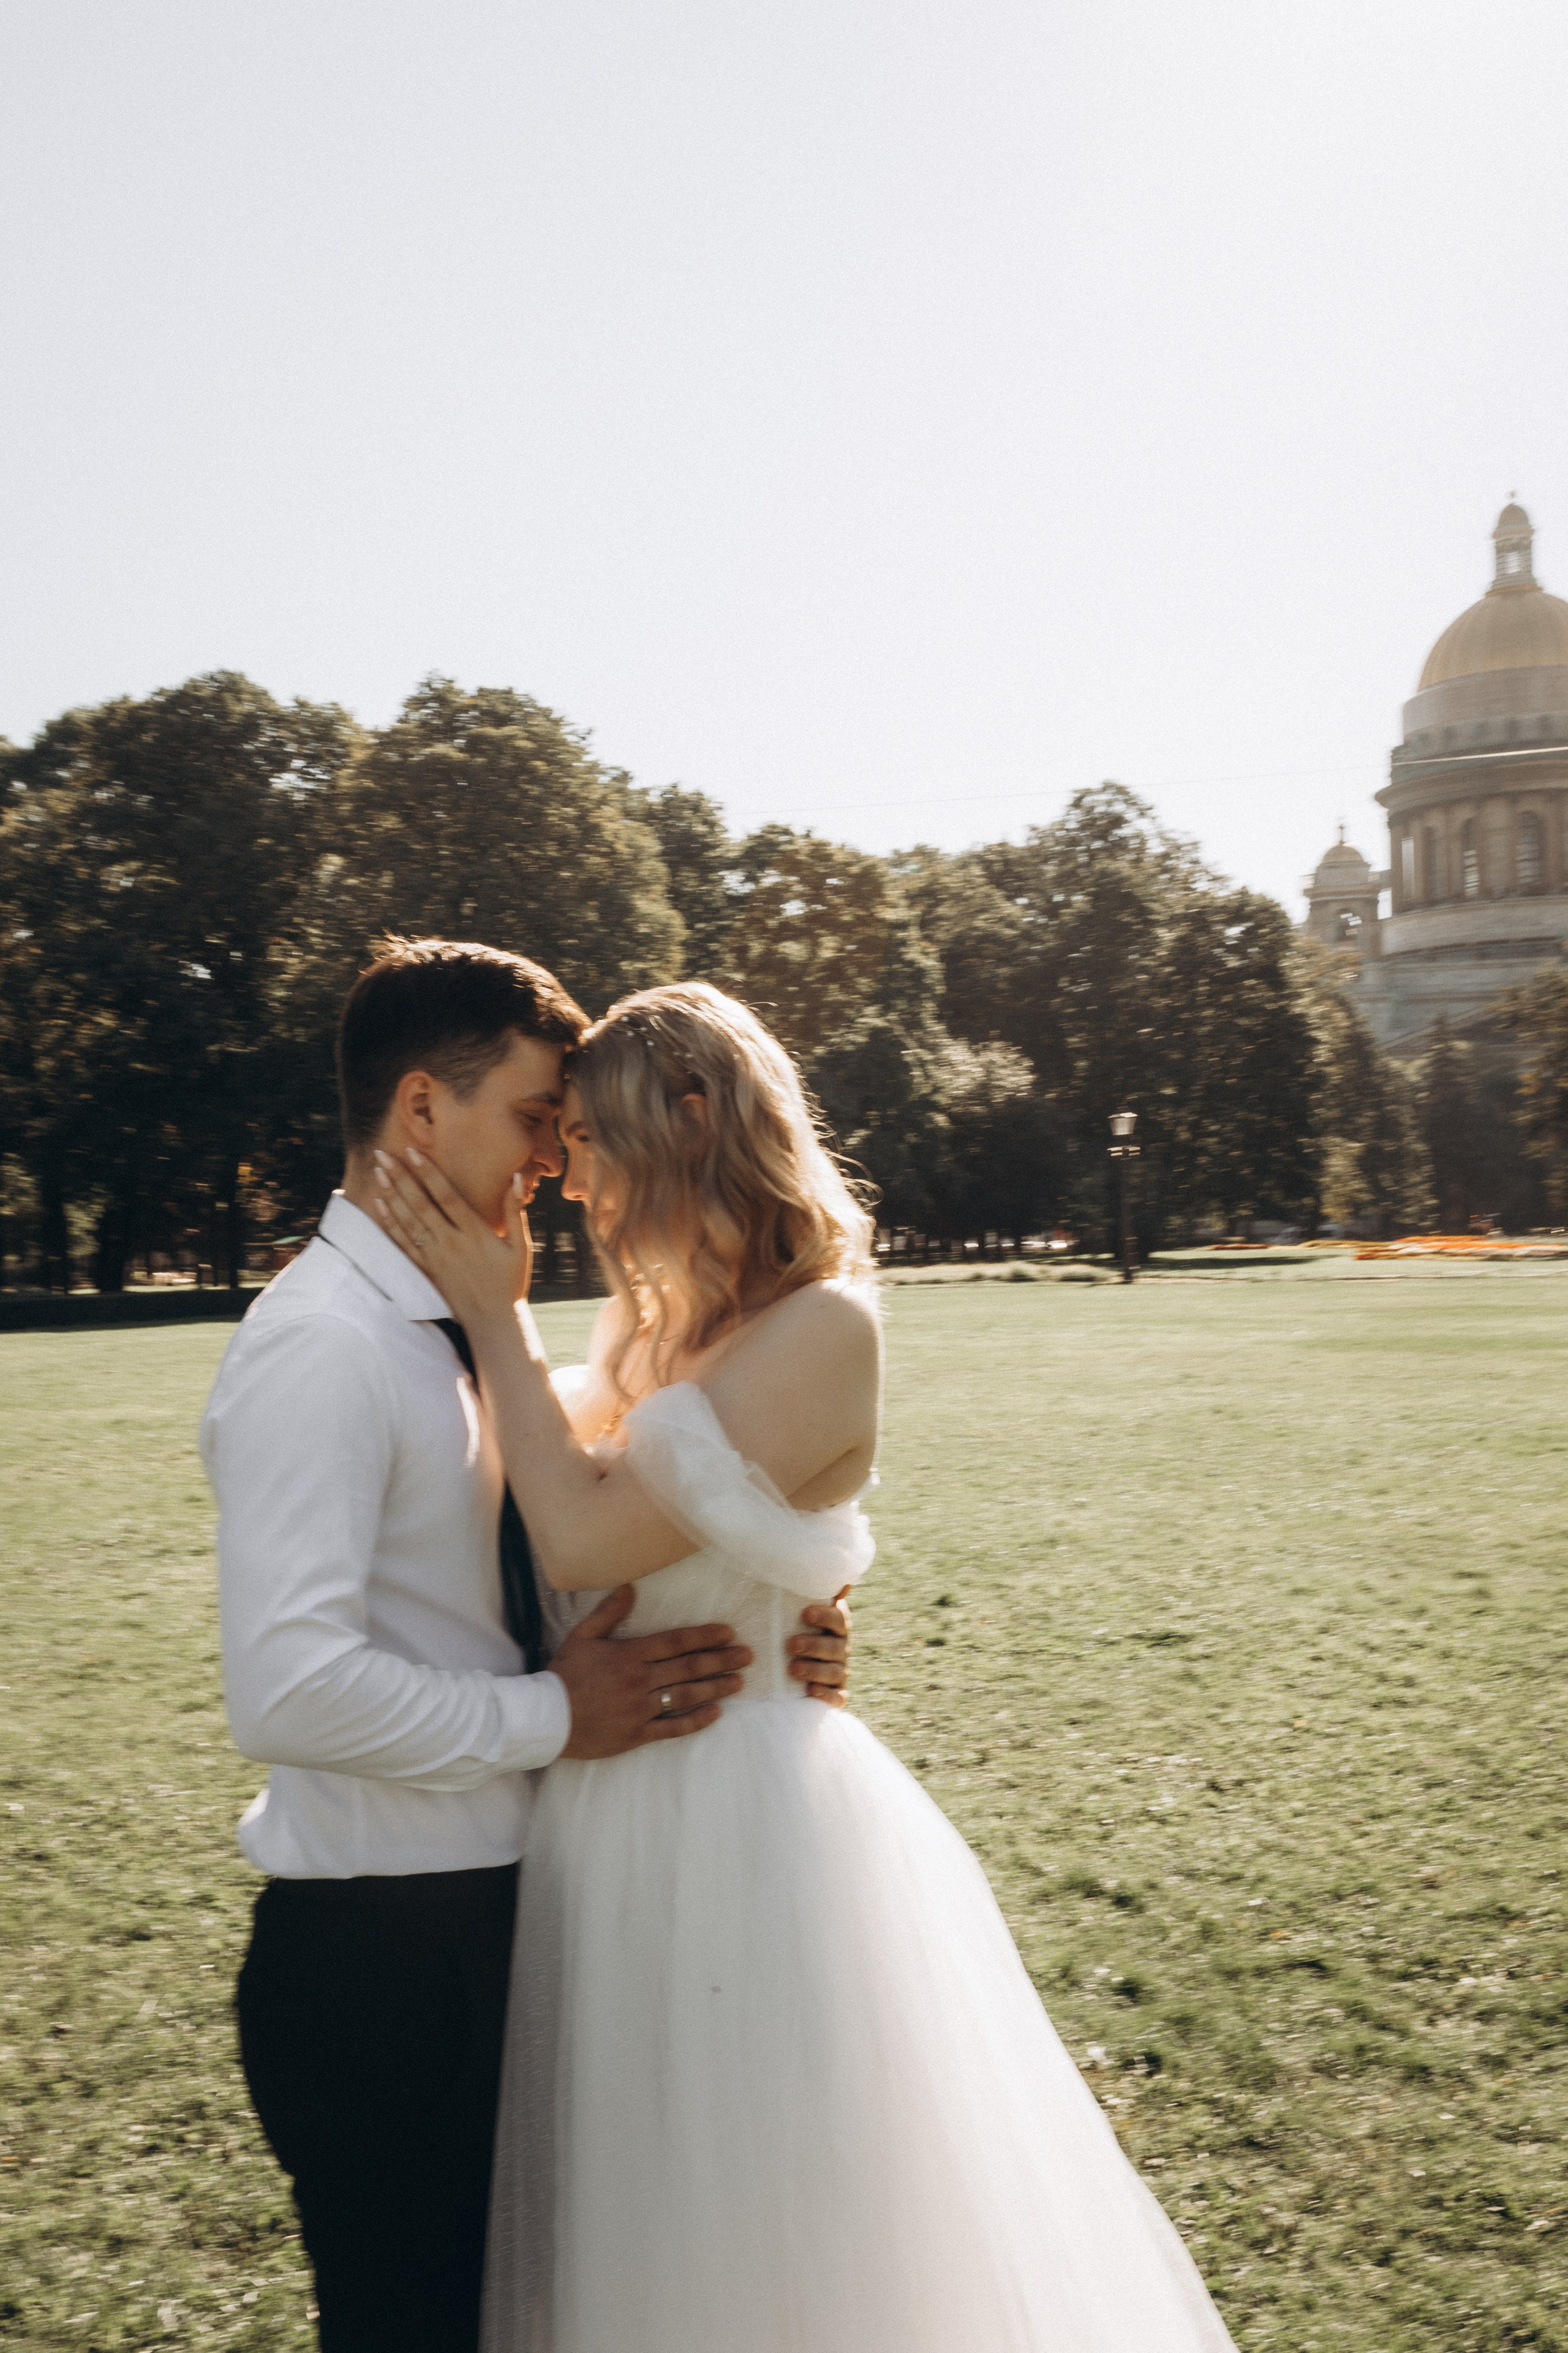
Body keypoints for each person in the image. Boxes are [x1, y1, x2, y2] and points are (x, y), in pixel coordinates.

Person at [373, 978, 1240, 2353]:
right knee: (646, 2217)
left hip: (747, 1823)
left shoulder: (827, 1325)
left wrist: (493, 1313)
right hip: (605, 1823)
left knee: (781, 2215)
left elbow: (586, 1520)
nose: (563, 1165)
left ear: (697, 1117)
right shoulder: (644, 1330)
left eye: (589, 1132)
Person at [200, 940, 851, 2353]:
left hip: (525, 1915)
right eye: (535, 1120)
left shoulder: (464, 1321)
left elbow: (603, 1520)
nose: (560, 1163)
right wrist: (557, 1719)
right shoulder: (321, 1346)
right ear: (421, 1112)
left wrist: (771, 1597)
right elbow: (289, 1688)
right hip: (384, 1952)